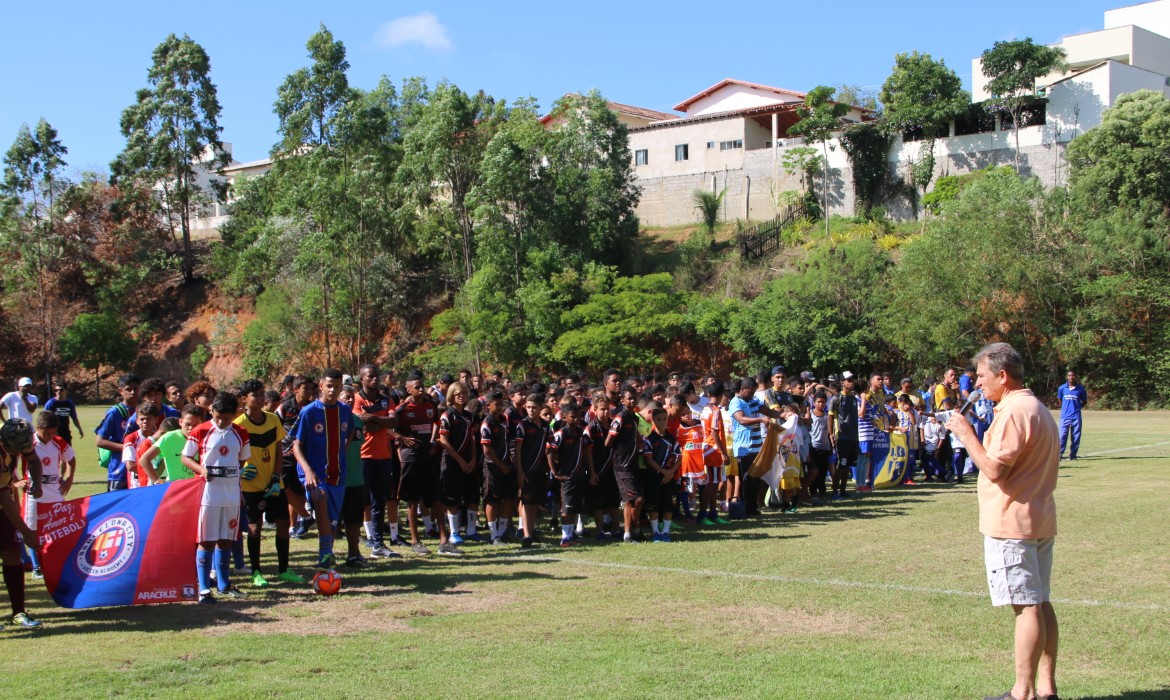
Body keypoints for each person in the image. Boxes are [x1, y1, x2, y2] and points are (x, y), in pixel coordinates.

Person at [945, 343, 1060, 700]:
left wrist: (966, 434)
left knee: (1026, 606)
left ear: (1002, 376)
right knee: (1039, 602)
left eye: (981, 376)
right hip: (1035, 518)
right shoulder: (1036, 407)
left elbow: (995, 468)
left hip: (1012, 524)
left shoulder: (1014, 411)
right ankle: (1045, 688)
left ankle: (1022, 692)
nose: (977, 384)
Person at [181, 392, 250, 603]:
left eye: (226, 418)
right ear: (211, 411)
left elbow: (242, 461)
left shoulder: (241, 433)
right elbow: (186, 457)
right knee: (206, 540)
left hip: (230, 495)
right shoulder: (201, 431)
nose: (221, 422)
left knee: (226, 540)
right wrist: (201, 470)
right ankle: (203, 589)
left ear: (235, 414)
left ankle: (224, 584)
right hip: (207, 495)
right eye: (218, 417)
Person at [233, 379, 299, 586]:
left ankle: (284, 569)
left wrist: (276, 476)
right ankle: (256, 572)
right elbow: (232, 454)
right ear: (245, 399)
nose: (261, 398)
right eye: (255, 395)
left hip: (273, 483)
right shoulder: (238, 425)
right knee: (254, 527)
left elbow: (279, 449)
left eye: (262, 394)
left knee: (283, 523)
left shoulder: (272, 419)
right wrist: (242, 470)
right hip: (251, 486)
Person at [292, 369, 354, 569]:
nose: (333, 390)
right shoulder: (309, 411)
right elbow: (296, 445)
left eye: (337, 387)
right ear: (321, 386)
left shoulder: (345, 411)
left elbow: (350, 432)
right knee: (319, 498)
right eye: (329, 386)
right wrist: (308, 470)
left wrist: (341, 454)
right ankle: (325, 554)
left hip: (337, 474)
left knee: (332, 521)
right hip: (314, 473)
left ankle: (327, 554)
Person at [352, 364, 400, 558]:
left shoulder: (386, 400)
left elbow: (395, 422)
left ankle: (378, 544)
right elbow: (368, 428)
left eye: (376, 376)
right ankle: (354, 547)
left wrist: (372, 417)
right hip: (363, 457)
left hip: (383, 457)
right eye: (370, 376)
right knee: (358, 503)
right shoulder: (356, 400)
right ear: (361, 379)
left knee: (379, 502)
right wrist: (380, 421)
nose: (374, 379)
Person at [0, 419, 43, 627]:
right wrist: (26, 532)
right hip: (3, 502)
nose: (23, 452)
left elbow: (34, 461)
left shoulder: (16, 443)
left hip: (2, 506)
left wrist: (36, 482)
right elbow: (4, 499)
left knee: (12, 554)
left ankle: (18, 612)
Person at [24, 412, 75, 580]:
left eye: (53, 432)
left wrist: (68, 479)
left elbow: (72, 460)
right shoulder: (28, 442)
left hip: (54, 488)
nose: (50, 436)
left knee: (59, 525)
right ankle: (37, 566)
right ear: (38, 428)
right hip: (34, 490)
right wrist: (17, 481)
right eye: (46, 433)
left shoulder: (59, 442)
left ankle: (56, 561)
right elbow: (13, 462)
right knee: (33, 528)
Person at [394, 373, 440, 555]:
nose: (421, 390)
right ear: (408, 390)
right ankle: (415, 540)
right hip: (410, 457)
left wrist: (433, 441)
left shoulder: (431, 406)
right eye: (417, 387)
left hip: (427, 457)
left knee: (434, 497)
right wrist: (402, 438)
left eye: (422, 386)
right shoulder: (402, 409)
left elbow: (436, 422)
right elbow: (388, 427)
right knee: (412, 500)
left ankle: (444, 539)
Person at [729, 376, 783, 516]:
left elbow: (769, 412)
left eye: (754, 392)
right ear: (742, 389)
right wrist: (760, 419)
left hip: (757, 446)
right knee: (746, 479)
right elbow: (741, 419)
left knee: (756, 478)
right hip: (744, 448)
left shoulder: (753, 400)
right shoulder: (735, 402)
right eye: (750, 391)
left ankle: (753, 507)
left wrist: (784, 414)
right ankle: (744, 507)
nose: (752, 394)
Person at [546, 400, 591, 548]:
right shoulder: (561, 434)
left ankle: (571, 534)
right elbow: (550, 451)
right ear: (564, 417)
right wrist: (555, 472)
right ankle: (564, 537)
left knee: (575, 507)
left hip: (579, 476)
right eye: (573, 416)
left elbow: (588, 450)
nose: (577, 419)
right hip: (567, 476)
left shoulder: (581, 433)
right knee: (567, 507)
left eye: (578, 416)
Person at [514, 393, 551, 548]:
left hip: (540, 470)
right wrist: (520, 471)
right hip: (527, 470)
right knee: (527, 502)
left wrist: (551, 469)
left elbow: (549, 449)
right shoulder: (522, 425)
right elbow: (517, 450)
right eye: (528, 407)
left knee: (535, 502)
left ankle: (532, 530)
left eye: (534, 407)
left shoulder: (545, 426)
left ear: (541, 407)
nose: (530, 410)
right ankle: (526, 534)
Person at [480, 390, 515, 546]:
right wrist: (501, 465)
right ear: (488, 406)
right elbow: (487, 450)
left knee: (508, 499)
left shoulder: (504, 420)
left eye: (502, 404)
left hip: (507, 466)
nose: (500, 407)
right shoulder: (486, 423)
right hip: (493, 467)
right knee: (492, 500)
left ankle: (502, 532)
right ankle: (493, 534)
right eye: (497, 404)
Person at [95, 374, 139, 491]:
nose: (133, 392)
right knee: (117, 507)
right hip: (119, 470)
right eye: (129, 389)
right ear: (120, 391)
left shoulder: (143, 411)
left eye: (136, 389)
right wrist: (127, 448)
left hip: (139, 469)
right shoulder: (115, 412)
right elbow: (100, 441)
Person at [641, 408, 680, 542]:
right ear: (653, 420)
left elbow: (679, 457)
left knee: (668, 504)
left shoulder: (672, 438)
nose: (662, 422)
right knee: (653, 505)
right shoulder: (649, 439)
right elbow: (649, 459)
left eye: (664, 419)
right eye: (658, 419)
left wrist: (671, 472)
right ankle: (656, 531)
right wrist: (663, 472)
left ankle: (665, 532)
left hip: (669, 476)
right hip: (654, 476)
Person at [140, 405, 203, 482]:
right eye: (188, 424)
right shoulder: (169, 438)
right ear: (180, 422)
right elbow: (144, 460)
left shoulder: (204, 439)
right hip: (175, 488)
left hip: (196, 486)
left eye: (195, 425)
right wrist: (157, 482)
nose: (191, 428)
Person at [1056, 371, 1087, 461]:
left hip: (1076, 417)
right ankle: (1059, 454)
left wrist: (1077, 408)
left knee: (1076, 437)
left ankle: (1073, 455)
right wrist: (1064, 408)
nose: (1071, 377)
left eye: (1073, 375)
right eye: (1069, 375)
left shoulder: (1080, 389)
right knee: (1062, 436)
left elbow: (1084, 401)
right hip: (1064, 416)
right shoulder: (1062, 388)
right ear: (1067, 377)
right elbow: (1059, 399)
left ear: (1076, 377)